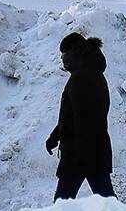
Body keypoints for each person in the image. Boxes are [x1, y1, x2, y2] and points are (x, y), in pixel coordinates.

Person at [45, 33, 116, 201]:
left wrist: (78, 155)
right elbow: (72, 115)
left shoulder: (80, 79)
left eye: (64, 53)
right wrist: (54, 137)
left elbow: (83, 119)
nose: (62, 59)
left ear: (74, 53)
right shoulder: (93, 75)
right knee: (107, 201)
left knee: (62, 204)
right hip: (94, 151)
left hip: (80, 154)